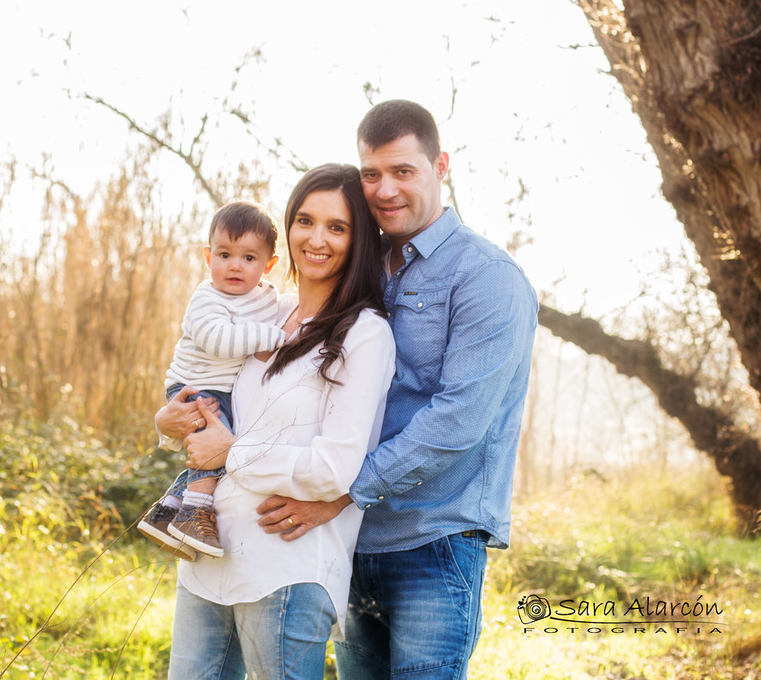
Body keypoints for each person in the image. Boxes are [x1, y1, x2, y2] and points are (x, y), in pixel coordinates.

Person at [256, 100, 539, 679]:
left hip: (434, 542)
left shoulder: (487, 278)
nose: (384, 189)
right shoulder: (361, 267)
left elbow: (458, 420)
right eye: (371, 173)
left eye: (403, 171)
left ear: (441, 166)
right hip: (354, 539)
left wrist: (340, 492)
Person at [156, 163, 396, 680]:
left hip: (284, 568)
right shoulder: (262, 311)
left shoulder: (365, 333)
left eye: (337, 227)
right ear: (286, 228)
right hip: (209, 555)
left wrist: (231, 454)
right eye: (305, 220)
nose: (317, 238)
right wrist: (167, 421)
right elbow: (204, 387)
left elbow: (335, 467)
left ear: (360, 241)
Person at [137, 200, 285, 560]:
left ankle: (167, 511)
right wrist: (272, 338)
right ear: (208, 257)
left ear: (269, 265)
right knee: (215, 449)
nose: (235, 265)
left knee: (219, 443)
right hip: (194, 386)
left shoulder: (269, 298)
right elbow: (217, 341)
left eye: (249, 258)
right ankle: (195, 514)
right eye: (224, 254)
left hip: (221, 389)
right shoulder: (207, 297)